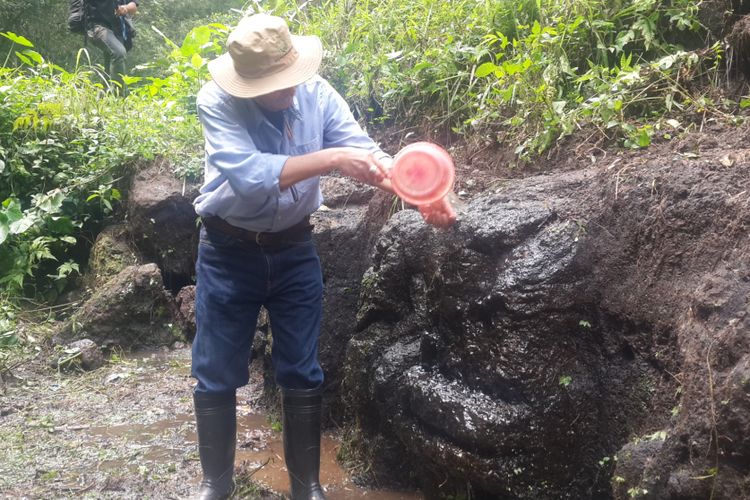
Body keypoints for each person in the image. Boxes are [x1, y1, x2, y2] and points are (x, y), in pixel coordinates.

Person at [190, 13, 455, 500]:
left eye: (290, 79)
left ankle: (307, 485)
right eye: (274, 86)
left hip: (294, 248)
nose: (288, 92)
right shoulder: (217, 101)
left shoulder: (318, 94)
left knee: (302, 368)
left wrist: (419, 190)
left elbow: (366, 153)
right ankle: (216, 483)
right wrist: (331, 159)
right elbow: (250, 176)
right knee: (216, 369)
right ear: (245, 84)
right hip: (228, 250)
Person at [85, 0, 138, 95]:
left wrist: (125, 8)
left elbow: (133, 6)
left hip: (117, 30)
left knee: (109, 68)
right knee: (119, 52)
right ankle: (119, 97)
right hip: (97, 27)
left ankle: (102, 99)